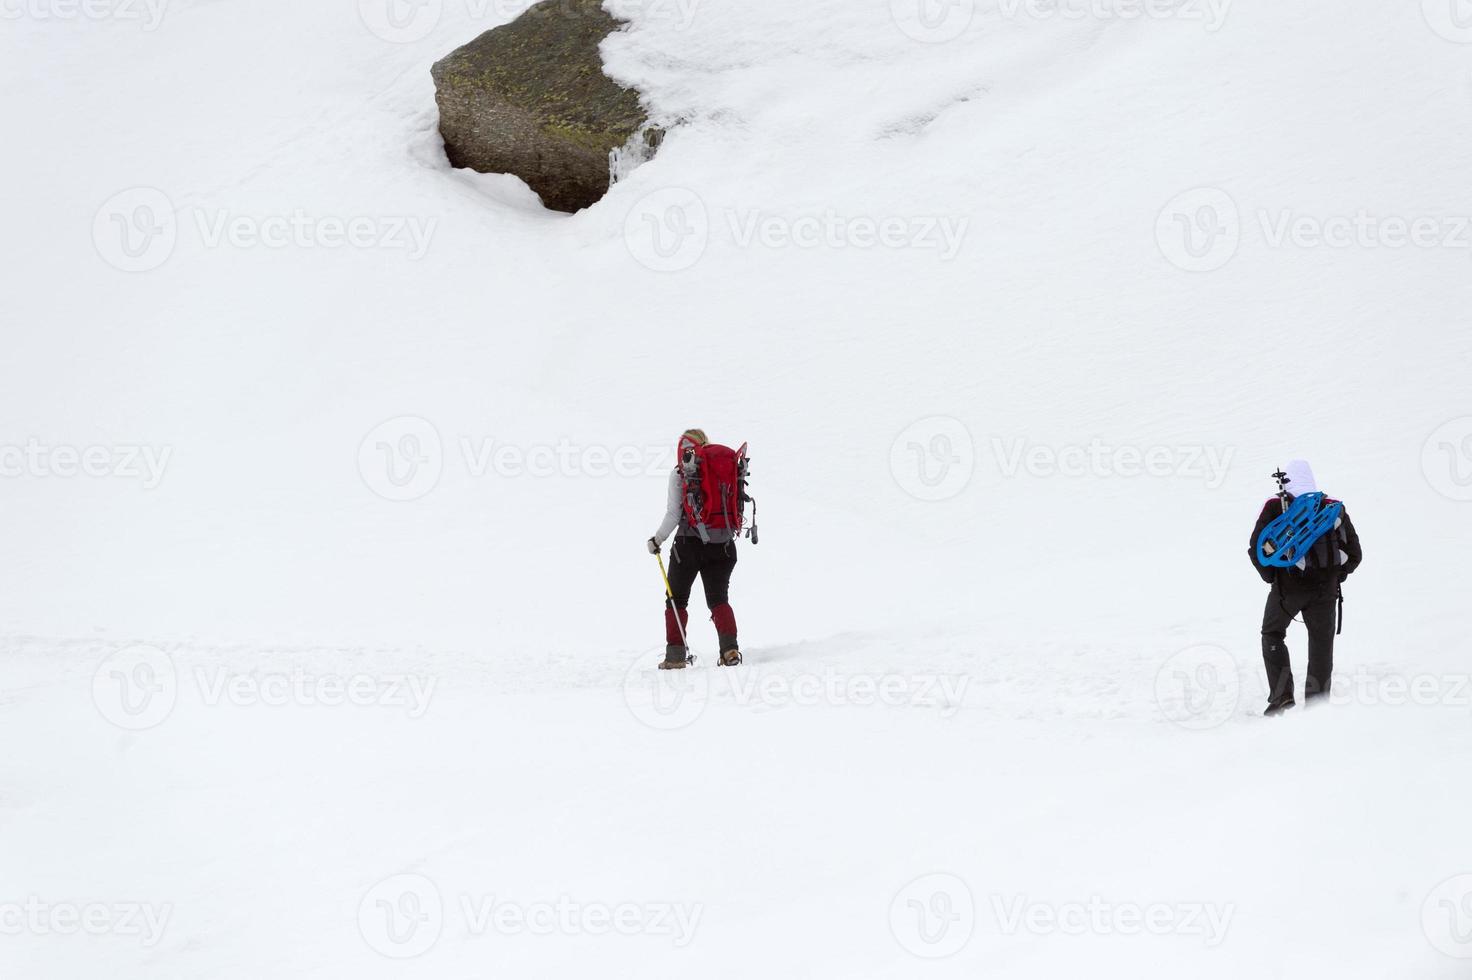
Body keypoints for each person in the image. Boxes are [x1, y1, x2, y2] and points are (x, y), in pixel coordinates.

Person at [1248, 459, 1362, 715]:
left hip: (1287, 588)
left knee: (1273, 633)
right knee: (1321, 644)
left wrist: (1273, 578)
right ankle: (1318, 708)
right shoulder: (1333, 507)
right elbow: (1355, 554)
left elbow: (1256, 548)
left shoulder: (1277, 505)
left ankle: (1281, 696)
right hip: (1326, 589)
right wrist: (1334, 576)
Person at [646, 429, 741, 670]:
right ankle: (730, 651)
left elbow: (673, 514)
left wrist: (657, 540)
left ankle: (675, 657)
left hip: (688, 546)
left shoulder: (680, 473)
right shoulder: (724, 470)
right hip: (724, 545)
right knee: (719, 599)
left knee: (676, 600)